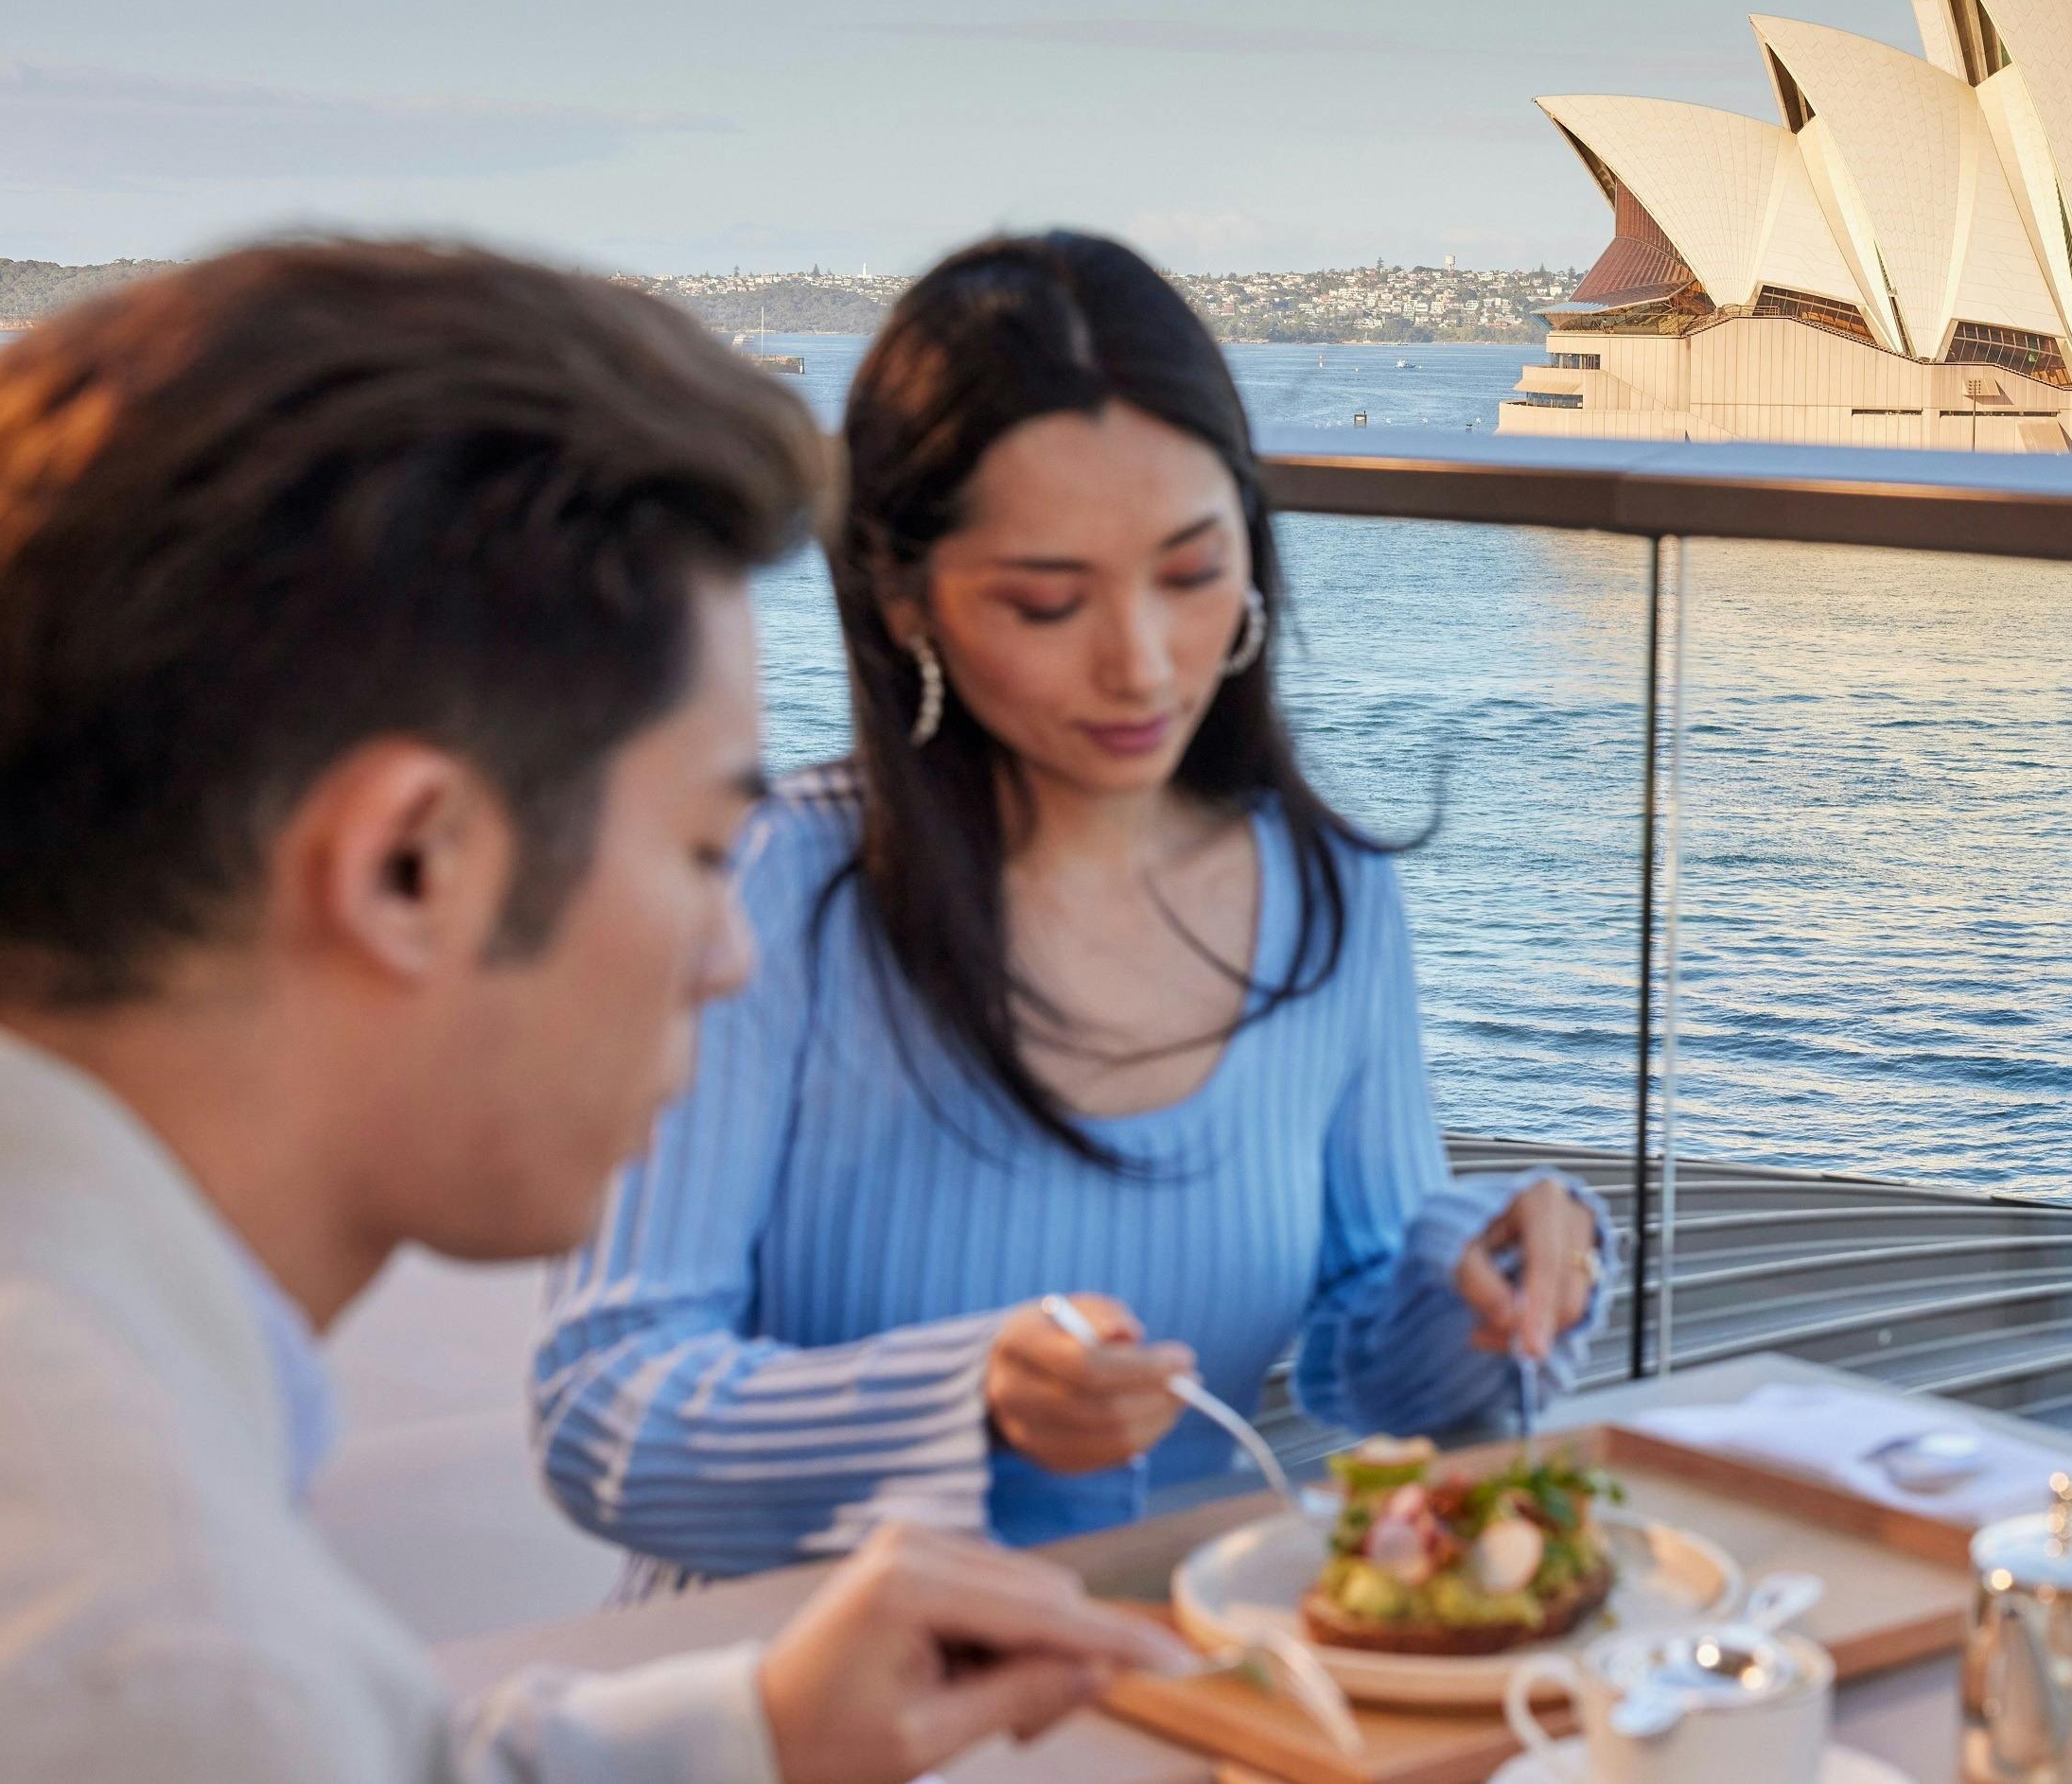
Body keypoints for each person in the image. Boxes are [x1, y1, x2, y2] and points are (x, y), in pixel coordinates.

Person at [0, 244, 1183, 1784]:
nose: (729, 954)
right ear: (408, 866)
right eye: (706, 850)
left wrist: (756, 1731)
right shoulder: (158, 1656)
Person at [536, 232, 1607, 1569]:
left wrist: (1489, 1276)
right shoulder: (775, 889)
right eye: (1050, 601)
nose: (1145, 666)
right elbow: (602, 1414)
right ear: (901, 597)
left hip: (1188, 1689)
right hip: (809, 1715)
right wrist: (966, 1398)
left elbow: (1372, 1372)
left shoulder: (1329, 894)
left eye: (1191, 573)